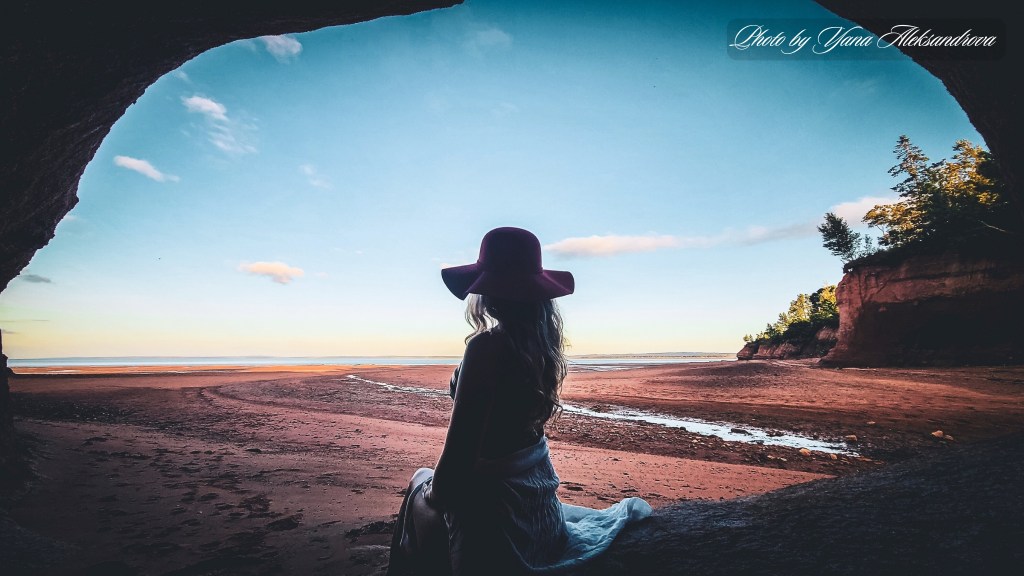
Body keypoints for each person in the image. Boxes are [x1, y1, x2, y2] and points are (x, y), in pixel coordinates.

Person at [387, 227, 650, 576]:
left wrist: (429, 494)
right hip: (538, 504)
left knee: (421, 482)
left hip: (500, 518)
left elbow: (454, 474)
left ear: (487, 290)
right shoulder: (539, 350)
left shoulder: (486, 348)